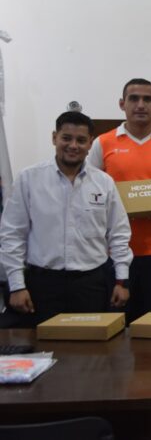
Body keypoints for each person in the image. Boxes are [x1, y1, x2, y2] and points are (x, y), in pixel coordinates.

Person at [0, 111, 132, 326]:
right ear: (55, 138)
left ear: (90, 143)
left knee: (90, 345)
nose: (73, 145)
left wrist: (121, 281)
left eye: (81, 140)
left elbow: (119, 234)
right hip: (42, 285)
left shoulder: (104, 182)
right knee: (42, 344)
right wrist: (16, 286)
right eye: (66, 138)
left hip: (91, 285)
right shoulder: (29, 179)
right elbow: (12, 235)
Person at [88, 78, 151, 322]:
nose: (140, 105)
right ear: (122, 104)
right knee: (115, 323)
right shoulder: (103, 143)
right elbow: (88, 189)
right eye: (134, 99)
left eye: (147, 99)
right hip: (112, 251)